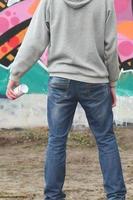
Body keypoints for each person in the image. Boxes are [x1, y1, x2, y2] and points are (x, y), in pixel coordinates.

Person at [6, 0, 127, 199]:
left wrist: (15, 74)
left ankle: (52, 196)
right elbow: (110, 47)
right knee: (106, 140)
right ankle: (116, 196)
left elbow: (35, 40)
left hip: (61, 80)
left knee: (56, 140)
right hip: (95, 82)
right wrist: (112, 82)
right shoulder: (104, 1)